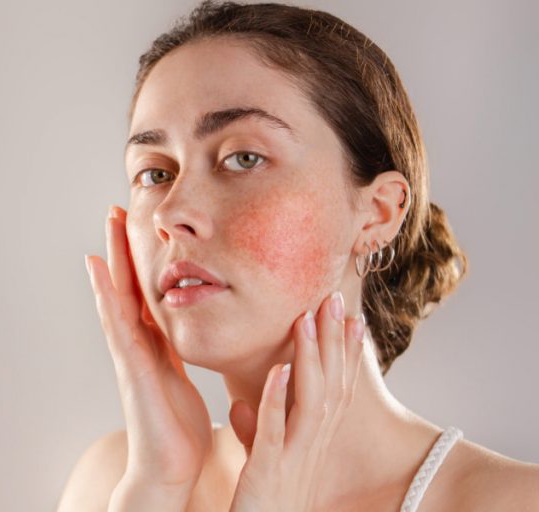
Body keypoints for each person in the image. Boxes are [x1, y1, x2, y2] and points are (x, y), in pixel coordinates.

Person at [58, 2, 539, 511]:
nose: (172, 211)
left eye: (243, 158)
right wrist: (156, 488)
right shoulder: (114, 482)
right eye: (155, 173)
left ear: (377, 213)